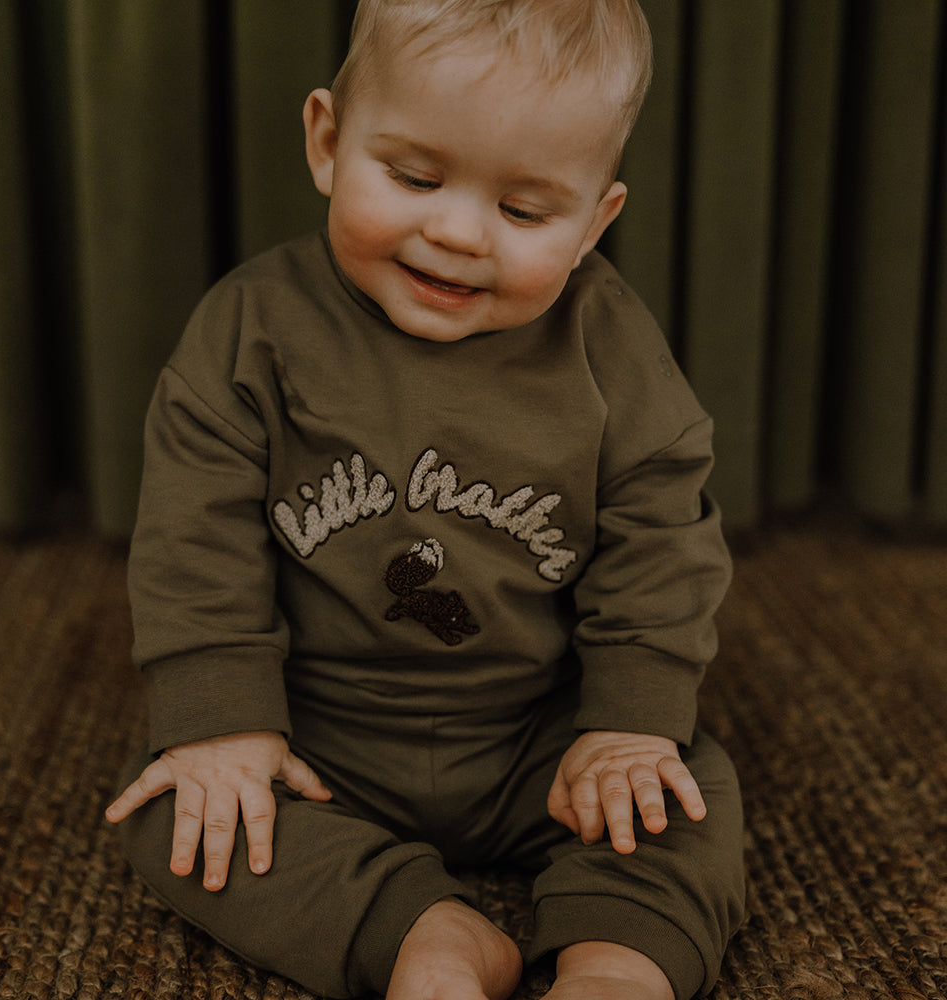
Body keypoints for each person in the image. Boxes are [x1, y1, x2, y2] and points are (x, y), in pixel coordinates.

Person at [106, 1, 745, 998]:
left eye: (524, 212)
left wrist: (627, 722)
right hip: (319, 735)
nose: (455, 232)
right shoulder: (251, 332)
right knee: (173, 810)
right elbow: (195, 535)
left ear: (594, 221)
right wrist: (224, 723)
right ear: (327, 141)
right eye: (413, 177)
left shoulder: (609, 350)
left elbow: (662, 538)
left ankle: (617, 964)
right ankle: (422, 934)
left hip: (540, 732)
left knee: (684, 791)